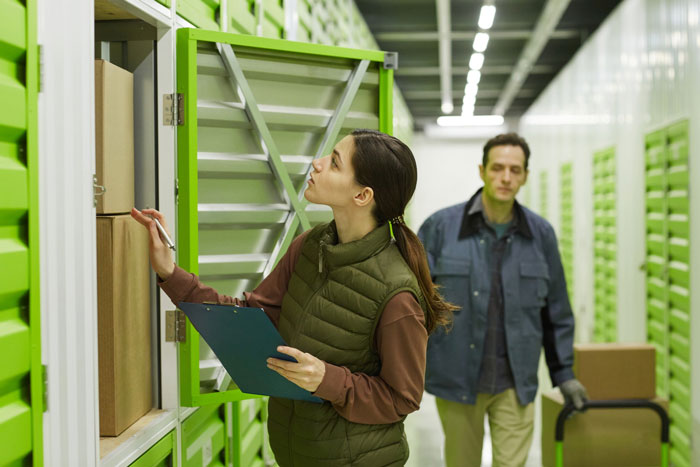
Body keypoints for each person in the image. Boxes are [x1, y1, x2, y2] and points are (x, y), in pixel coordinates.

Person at [131, 129, 455, 467]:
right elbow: (250, 318)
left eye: (333, 163)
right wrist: (171, 274)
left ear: (362, 195)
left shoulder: (396, 292)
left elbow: (401, 398)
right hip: (295, 454)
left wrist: (327, 380)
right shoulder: (311, 246)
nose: (316, 164)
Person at [417, 133, 587, 467]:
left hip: (515, 382)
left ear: (524, 175)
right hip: (458, 380)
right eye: (497, 168)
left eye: (514, 169)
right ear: (482, 171)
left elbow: (556, 311)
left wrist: (563, 373)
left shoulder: (541, 235)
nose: (505, 177)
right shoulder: (440, 228)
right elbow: (413, 306)